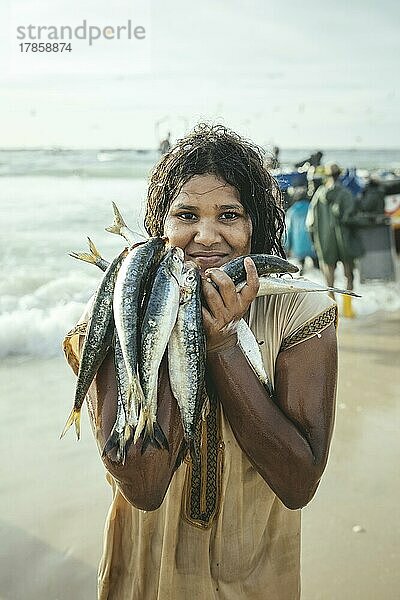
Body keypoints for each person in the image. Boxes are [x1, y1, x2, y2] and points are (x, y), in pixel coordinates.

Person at [64, 124, 338, 599]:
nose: (206, 236)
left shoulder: (300, 310)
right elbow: (144, 486)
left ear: (256, 228)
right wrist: (168, 320)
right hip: (148, 579)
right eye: (186, 215)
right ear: (160, 227)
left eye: (229, 215)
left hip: (257, 577)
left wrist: (222, 345)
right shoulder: (115, 313)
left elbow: (299, 483)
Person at [306, 163, 364, 317]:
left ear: (326, 175)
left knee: (329, 281)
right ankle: (348, 309)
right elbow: (350, 218)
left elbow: (310, 224)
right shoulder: (346, 194)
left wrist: (315, 242)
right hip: (344, 241)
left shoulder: (319, 194)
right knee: (349, 276)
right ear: (340, 175)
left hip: (324, 242)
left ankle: (334, 312)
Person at [285, 186, 319, 273]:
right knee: (318, 270)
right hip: (313, 244)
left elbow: (289, 231)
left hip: (298, 246)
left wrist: (288, 247)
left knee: (301, 271)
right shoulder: (312, 207)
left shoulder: (291, 211)